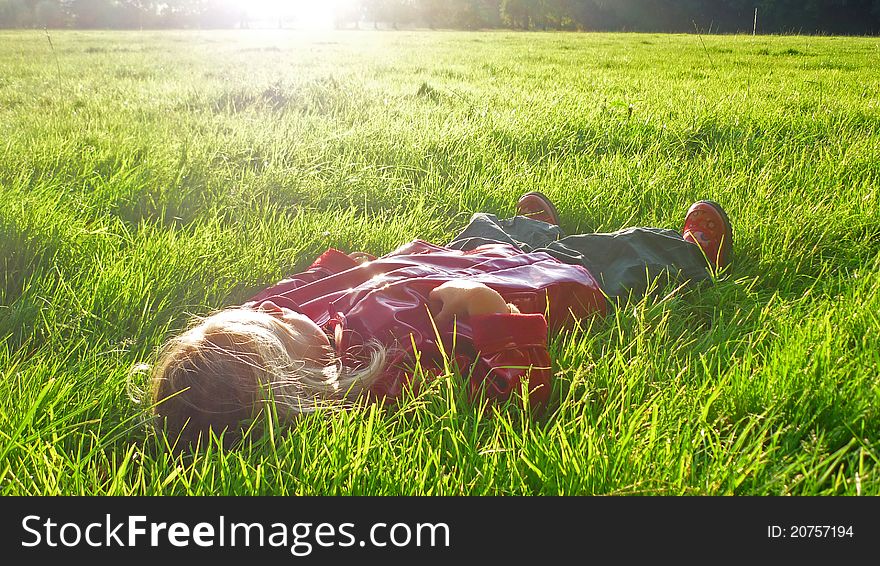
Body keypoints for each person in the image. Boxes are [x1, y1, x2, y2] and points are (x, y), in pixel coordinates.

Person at [149, 193, 733, 448]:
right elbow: (514, 392)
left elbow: (302, 288)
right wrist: (488, 306)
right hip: (522, 284)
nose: (275, 310)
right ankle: (689, 253)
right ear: (301, 380)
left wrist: (358, 268)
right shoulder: (381, 377)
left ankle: (537, 228)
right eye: (274, 325)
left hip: (445, 258)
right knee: (615, 258)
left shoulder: (294, 320)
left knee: (484, 226)